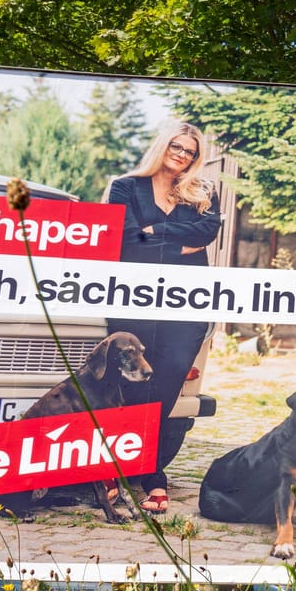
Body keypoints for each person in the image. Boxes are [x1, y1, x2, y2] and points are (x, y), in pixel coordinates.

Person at [105, 121, 222, 514]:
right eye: (177, 146)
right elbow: (126, 237)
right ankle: (140, 474)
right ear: (163, 145)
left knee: (167, 385)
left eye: (190, 151)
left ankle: (141, 470)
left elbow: (208, 230)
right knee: (133, 385)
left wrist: (156, 229)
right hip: (133, 298)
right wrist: (177, 239)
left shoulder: (203, 191)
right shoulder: (125, 186)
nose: (182, 155)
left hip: (185, 302)